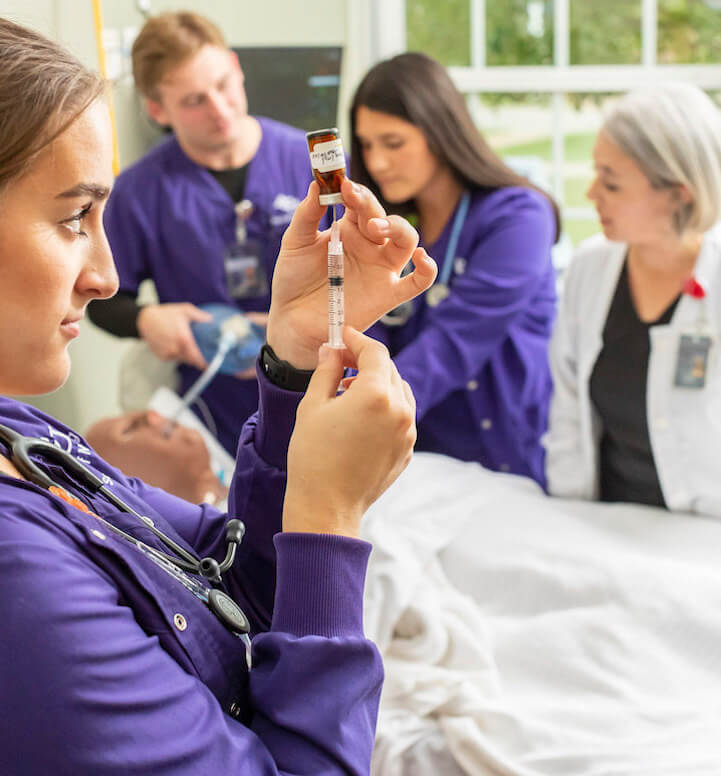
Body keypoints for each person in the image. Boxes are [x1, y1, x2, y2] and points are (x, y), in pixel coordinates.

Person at [0, 17, 438, 774]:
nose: (104, 271)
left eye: (225, 88)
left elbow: (235, 580)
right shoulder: (19, 585)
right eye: (74, 216)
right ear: (163, 108)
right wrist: (325, 513)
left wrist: (297, 356)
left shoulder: (24, 436)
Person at [88, 11, 327, 456]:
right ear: (158, 109)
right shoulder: (141, 192)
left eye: (222, 85)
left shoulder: (315, 164)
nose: (220, 111)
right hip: (213, 416)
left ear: (237, 68)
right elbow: (103, 300)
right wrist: (145, 320)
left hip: (320, 396)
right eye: (195, 100)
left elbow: (361, 276)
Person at [350, 52, 560, 486]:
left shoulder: (519, 217)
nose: (377, 163)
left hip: (503, 462)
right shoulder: (395, 229)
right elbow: (368, 337)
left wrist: (359, 416)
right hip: (419, 464)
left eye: (393, 143)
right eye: (367, 145)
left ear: (441, 132)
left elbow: (455, 343)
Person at [544, 83, 721, 516]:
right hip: (609, 527)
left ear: (679, 194)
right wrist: (571, 519)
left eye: (612, 182)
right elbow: (568, 414)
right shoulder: (590, 270)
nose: (591, 195)